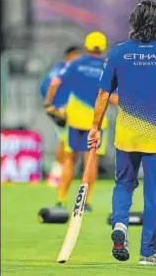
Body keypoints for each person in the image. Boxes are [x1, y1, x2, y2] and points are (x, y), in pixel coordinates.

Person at [88, 0, 156, 265]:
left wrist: (95, 126)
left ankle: (121, 225)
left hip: (126, 132)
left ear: (133, 23)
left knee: (124, 184)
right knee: (154, 193)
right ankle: (148, 253)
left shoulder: (118, 52)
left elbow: (103, 94)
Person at [45, 31, 118, 212]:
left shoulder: (75, 63)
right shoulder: (108, 67)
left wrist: (49, 104)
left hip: (75, 119)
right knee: (90, 161)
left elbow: (54, 82)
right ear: (103, 48)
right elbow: (113, 98)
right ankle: (85, 202)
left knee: (69, 160)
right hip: (96, 122)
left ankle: (61, 200)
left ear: (86, 46)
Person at [40, 46, 81, 187]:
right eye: (76, 56)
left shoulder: (76, 69)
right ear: (69, 56)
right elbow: (46, 86)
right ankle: (57, 173)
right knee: (65, 140)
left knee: (69, 142)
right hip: (62, 109)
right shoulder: (60, 69)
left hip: (74, 110)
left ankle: (60, 172)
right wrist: (53, 105)